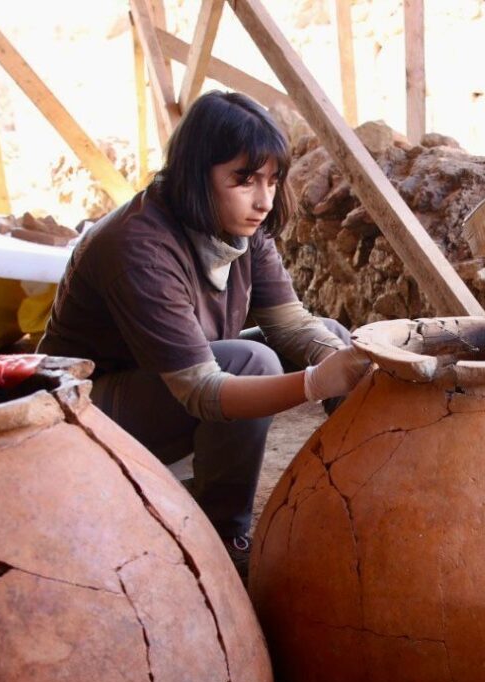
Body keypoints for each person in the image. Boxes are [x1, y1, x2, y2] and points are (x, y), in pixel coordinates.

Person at [39, 91, 369, 577]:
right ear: (197, 173)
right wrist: (316, 383)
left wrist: (349, 361)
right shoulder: (137, 246)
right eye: (245, 180)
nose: (264, 200)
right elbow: (200, 388)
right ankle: (221, 531)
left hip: (154, 388)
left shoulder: (241, 223)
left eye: (272, 181)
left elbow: (292, 323)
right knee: (252, 362)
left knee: (336, 335)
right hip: (79, 416)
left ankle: (365, 493)